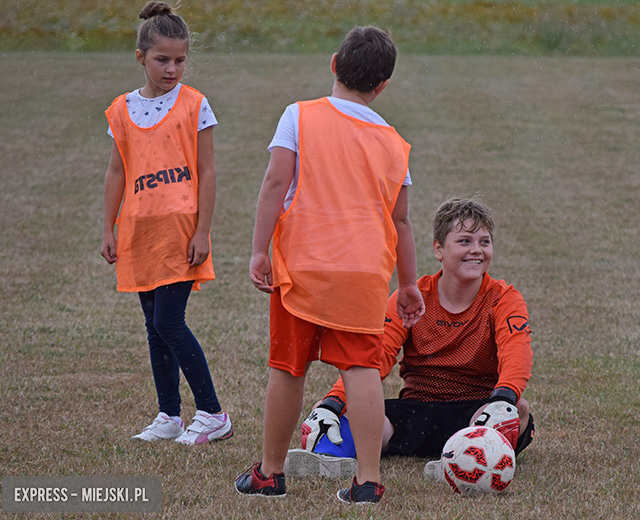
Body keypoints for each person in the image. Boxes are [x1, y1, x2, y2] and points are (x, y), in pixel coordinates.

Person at [233, 26, 425, 503]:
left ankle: (270, 473)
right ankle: (367, 481)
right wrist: (407, 284)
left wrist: (259, 250)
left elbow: (276, 183)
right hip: (363, 276)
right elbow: (401, 222)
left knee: (288, 367)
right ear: (382, 87)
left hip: (303, 269)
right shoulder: (395, 143)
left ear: (334, 64)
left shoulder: (299, 116)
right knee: (361, 370)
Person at [287, 198, 534, 481]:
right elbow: (376, 356)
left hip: (476, 409)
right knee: (361, 413)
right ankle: (328, 457)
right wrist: (334, 401)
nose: (476, 250)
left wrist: (504, 397)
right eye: (464, 241)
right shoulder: (413, 296)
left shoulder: (504, 298)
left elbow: (516, 351)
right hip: (416, 409)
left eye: (484, 242)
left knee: (518, 410)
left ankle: (461, 465)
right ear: (438, 249)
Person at [100, 1, 232, 445]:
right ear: (141, 58)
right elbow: (117, 172)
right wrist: (108, 227)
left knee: (169, 323)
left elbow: (208, 173)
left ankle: (213, 413)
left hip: (180, 231)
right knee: (153, 324)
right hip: (139, 230)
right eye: (162, 60)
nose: (172, 68)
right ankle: (169, 415)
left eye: (179, 60)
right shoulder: (121, 109)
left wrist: (202, 231)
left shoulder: (195, 105)